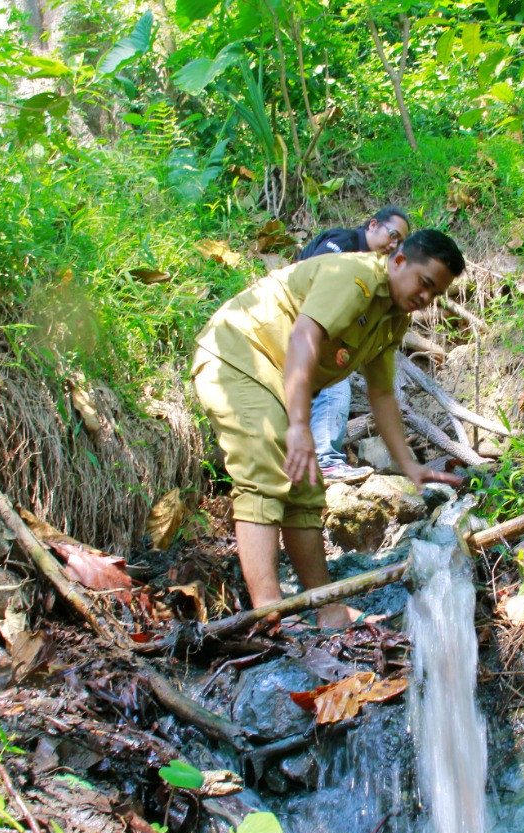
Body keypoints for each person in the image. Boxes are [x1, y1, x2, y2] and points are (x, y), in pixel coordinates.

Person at [191, 229, 466, 629]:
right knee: (265, 473)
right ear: (400, 261)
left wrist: (409, 465)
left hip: (273, 375)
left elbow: (382, 393)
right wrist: (301, 425)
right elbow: (304, 336)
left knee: (304, 489)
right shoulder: (353, 277)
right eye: (425, 284)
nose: (426, 298)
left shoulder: (393, 316)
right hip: (237, 354)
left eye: (435, 293)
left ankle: (326, 609)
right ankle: (270, 615)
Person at [298, 206, 411, 483]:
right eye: (392, 234)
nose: (393, 244)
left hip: (320, 333)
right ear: (372, 225)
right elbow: (317, 283)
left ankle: (312, 463)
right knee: (334, 381)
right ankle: (325, 460)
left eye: (399, 242)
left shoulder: (375, 276)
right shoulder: (344, 244)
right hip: (303, 327)